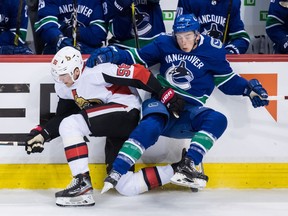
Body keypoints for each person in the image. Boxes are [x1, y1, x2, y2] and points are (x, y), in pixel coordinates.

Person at [86, 13, 269, 193]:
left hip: (189, 110)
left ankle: (188, 165)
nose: (183, 42)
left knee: (218, 119)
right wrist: (116, 55)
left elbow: (228, 82)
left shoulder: (213, 50)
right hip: (162, 101)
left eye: (188, 37)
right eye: (179, 37)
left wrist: (248, 89)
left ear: (197, 35)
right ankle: (118, 170)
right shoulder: (164, 42)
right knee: (150, 125)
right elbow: (138, 58)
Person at [25, 46, 184, 206]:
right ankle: (181, 169)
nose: (61, 80)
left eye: (64, 75)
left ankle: (81, 183)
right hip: (114, 124)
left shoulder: (96, 71)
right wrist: (42, 134)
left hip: (126, 112)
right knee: (125, 185)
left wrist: (163, 93)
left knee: (71, 124)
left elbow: (138, 74)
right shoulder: (64, 87)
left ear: (76, 70)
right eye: (58, 76)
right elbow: (62, 116)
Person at [176, 0, 250, 54]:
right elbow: (181, 34)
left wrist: (227, 52)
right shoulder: (189, 1)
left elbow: (241, 37)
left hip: (220, 57)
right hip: (195, 56)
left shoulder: (233, 2)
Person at [34, 0, 107, 54]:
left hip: (88, 52)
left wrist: (76, 32)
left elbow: (99, 33)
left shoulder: (97, 1)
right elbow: (45, 25)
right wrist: (60, 40)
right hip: (56, 50)